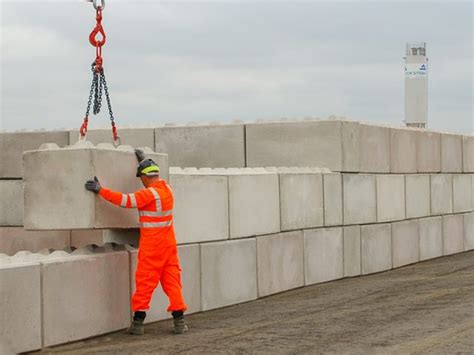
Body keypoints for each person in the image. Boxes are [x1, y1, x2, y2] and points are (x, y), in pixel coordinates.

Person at [85, 149, 187, 335]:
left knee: (145, 283)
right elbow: (152, 173)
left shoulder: (148, 195)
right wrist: (143, 161)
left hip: (152, 247)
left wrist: (101, 190)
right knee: (172, 282)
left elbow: (124, 200)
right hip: (169, 245)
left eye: (140, 177)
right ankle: (179, 322)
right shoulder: (167, 188)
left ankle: (138, 324)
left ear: (144, 177)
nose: (140, 181)